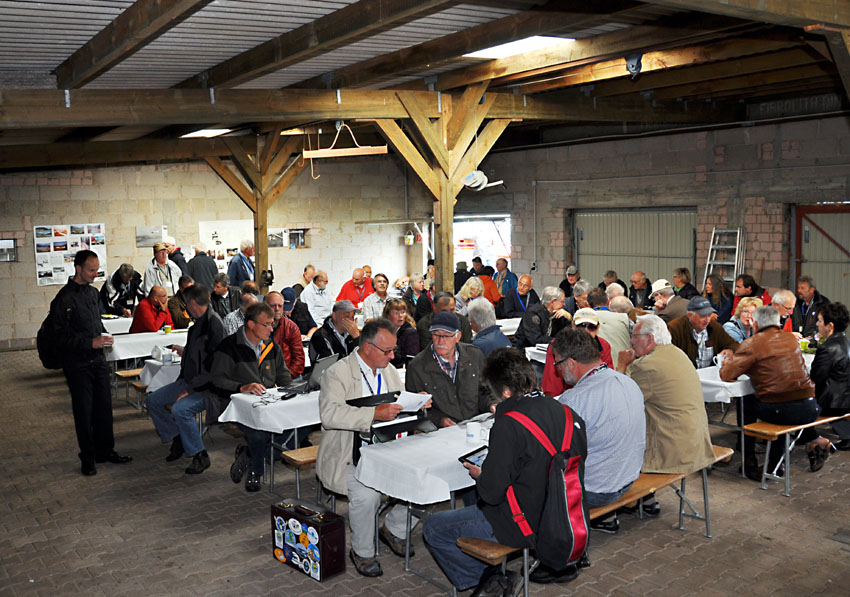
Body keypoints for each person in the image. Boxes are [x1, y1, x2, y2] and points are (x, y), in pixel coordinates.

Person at [423, 348, 587, 593]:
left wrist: (480, 475)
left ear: (507, 392)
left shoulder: (508, 424)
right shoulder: (567, 412)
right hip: (567, 515)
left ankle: (486, 580)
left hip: (525, 523)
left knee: (434, 527)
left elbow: (491, 494)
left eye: (495, 394)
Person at [316, 319, 424, 578]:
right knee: (368, 496)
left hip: (387, 450)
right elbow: (329, 414)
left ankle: (394, 529)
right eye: (386, 351)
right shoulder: (337, 373)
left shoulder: (387, 370)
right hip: (349, 455)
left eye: (393, 351)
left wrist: (412, 406)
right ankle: (362, 552)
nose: (392, 356)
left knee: (424, 482)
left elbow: (396, 405)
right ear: (366, 347)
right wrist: (373, 414)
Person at [721, 306, 832, 476]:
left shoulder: (752, 343)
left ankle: (750, 459)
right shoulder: (789, 338)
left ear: (755, 324)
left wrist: (728, 362)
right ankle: (779, 462)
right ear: (777, 323)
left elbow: (727, 375)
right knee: (782, 400)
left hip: (782, 411)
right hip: (811, 407)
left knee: (748, 400)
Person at [553, 328, 644, 534]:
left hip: (599, 491)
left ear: (570, 363)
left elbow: (559, 452)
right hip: (628, 478)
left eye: (557, 363)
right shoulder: (627, 382)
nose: (558, 370)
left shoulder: (574, 399)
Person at [52, 250, 132, 476]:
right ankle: (87, 457)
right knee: (84, 411)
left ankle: (105, 451)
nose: (95, 274)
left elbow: (96, 323)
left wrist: (104, 336)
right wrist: (90, 342)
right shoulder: (64, 299)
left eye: (97, 269)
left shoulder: (93, 294)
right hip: (77, 364)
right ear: (78, 268)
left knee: (104, 408)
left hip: (97, 361)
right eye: (91, 270)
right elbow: (59, 337)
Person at [617, 315, 715, 478]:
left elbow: (621, 403)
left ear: (649, 339)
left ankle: (633, 502)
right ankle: (646, 501)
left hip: (673, 451)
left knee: (615, 448)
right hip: (696, 444)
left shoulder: (647, 365)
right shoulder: (678, 353)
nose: (631, 342)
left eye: (634, 336)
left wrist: (621, 365)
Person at [211, 302, 292, 492]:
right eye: (267, 325)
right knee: (259, 432)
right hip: (238, 405)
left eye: (273, 324)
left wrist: (290, 389)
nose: (271, 329)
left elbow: (283, 375)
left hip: (269, 404)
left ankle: (250, 453)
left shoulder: (271, 347)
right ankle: (256, 470)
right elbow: (216, 380)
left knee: (301, 425)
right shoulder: (229, 346)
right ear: (250, 324)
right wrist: (241, 387)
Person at [145, 284, 224, 475]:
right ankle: (178, 437)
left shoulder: (214, 325)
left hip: (207, 387)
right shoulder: (197, 324)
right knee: (153, 400)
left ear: (193, 303)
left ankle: (200, 454)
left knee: (181, 409)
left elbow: (214, 368)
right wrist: (185, 351)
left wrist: (189, 390)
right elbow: (199, 352)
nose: (185, 309)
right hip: (189, 381)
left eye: (186, 304)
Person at [406, 312, 495, 428]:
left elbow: (486, 391)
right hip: (442, 433)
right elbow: (413, 411)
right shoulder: (417, 367)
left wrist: (492, 404)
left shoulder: (474, 355)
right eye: (436, 335)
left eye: (446, 336)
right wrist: (440, 420)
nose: (440, 341)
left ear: (458, 336)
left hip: (477, 425)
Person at [541, 309, 613, 397]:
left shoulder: (604, 346)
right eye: (581, 326)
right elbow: (552, 383)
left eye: (591, 327)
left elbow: (607, 377)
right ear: (573, 325)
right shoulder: (557, 345)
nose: (586, 330)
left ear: (597, 328)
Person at [811, 302, 850, 451]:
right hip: (843, 398)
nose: (817, 324)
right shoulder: (846, 342)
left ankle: (806, 436)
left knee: (797, 404)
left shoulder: (827, 348)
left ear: (830, 326)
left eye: (820, 320)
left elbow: (816, 378)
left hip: (834, 403)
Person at [668, 296, 739, 369]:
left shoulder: (714, 326)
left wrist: (730, 350)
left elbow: (733, 344)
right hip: (685, 375)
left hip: (708, 375)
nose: (707, 320)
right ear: (690, 315)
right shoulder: (675, 328)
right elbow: (667, 356)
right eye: (703, 316)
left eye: (709, 315)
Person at [587, 288, 631, 369]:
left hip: (596, 374)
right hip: (624, 373)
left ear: (588, 305)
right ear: (608, 301)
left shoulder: (583, 323)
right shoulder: (625, 319)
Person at [267, 291, 305, 378]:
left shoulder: (291, 327)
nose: (277, 309)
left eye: (280, 306)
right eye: (273, 306)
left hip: (287, 376)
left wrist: (285, 378)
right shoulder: (257, 327)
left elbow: (298, 359)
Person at [383, 298, 418, 367]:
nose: (400, 316)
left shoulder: (410, 333)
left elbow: (409, 360)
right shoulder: (383, 331)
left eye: (403, 312)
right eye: (396, 313)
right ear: (388, 315)